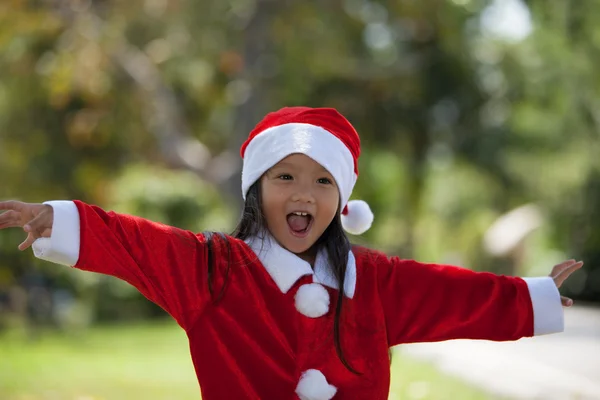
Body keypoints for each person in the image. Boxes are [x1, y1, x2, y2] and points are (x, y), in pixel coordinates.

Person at [0, 106, 582, 400]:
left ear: (342, 199)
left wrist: (532, 296)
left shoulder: (373, 281)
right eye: (286, 176)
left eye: (324, 182)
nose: (304, 193)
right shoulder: (211, 270)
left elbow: (454, 295)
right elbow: (135, 243)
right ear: (257, 189)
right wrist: (56, 218)